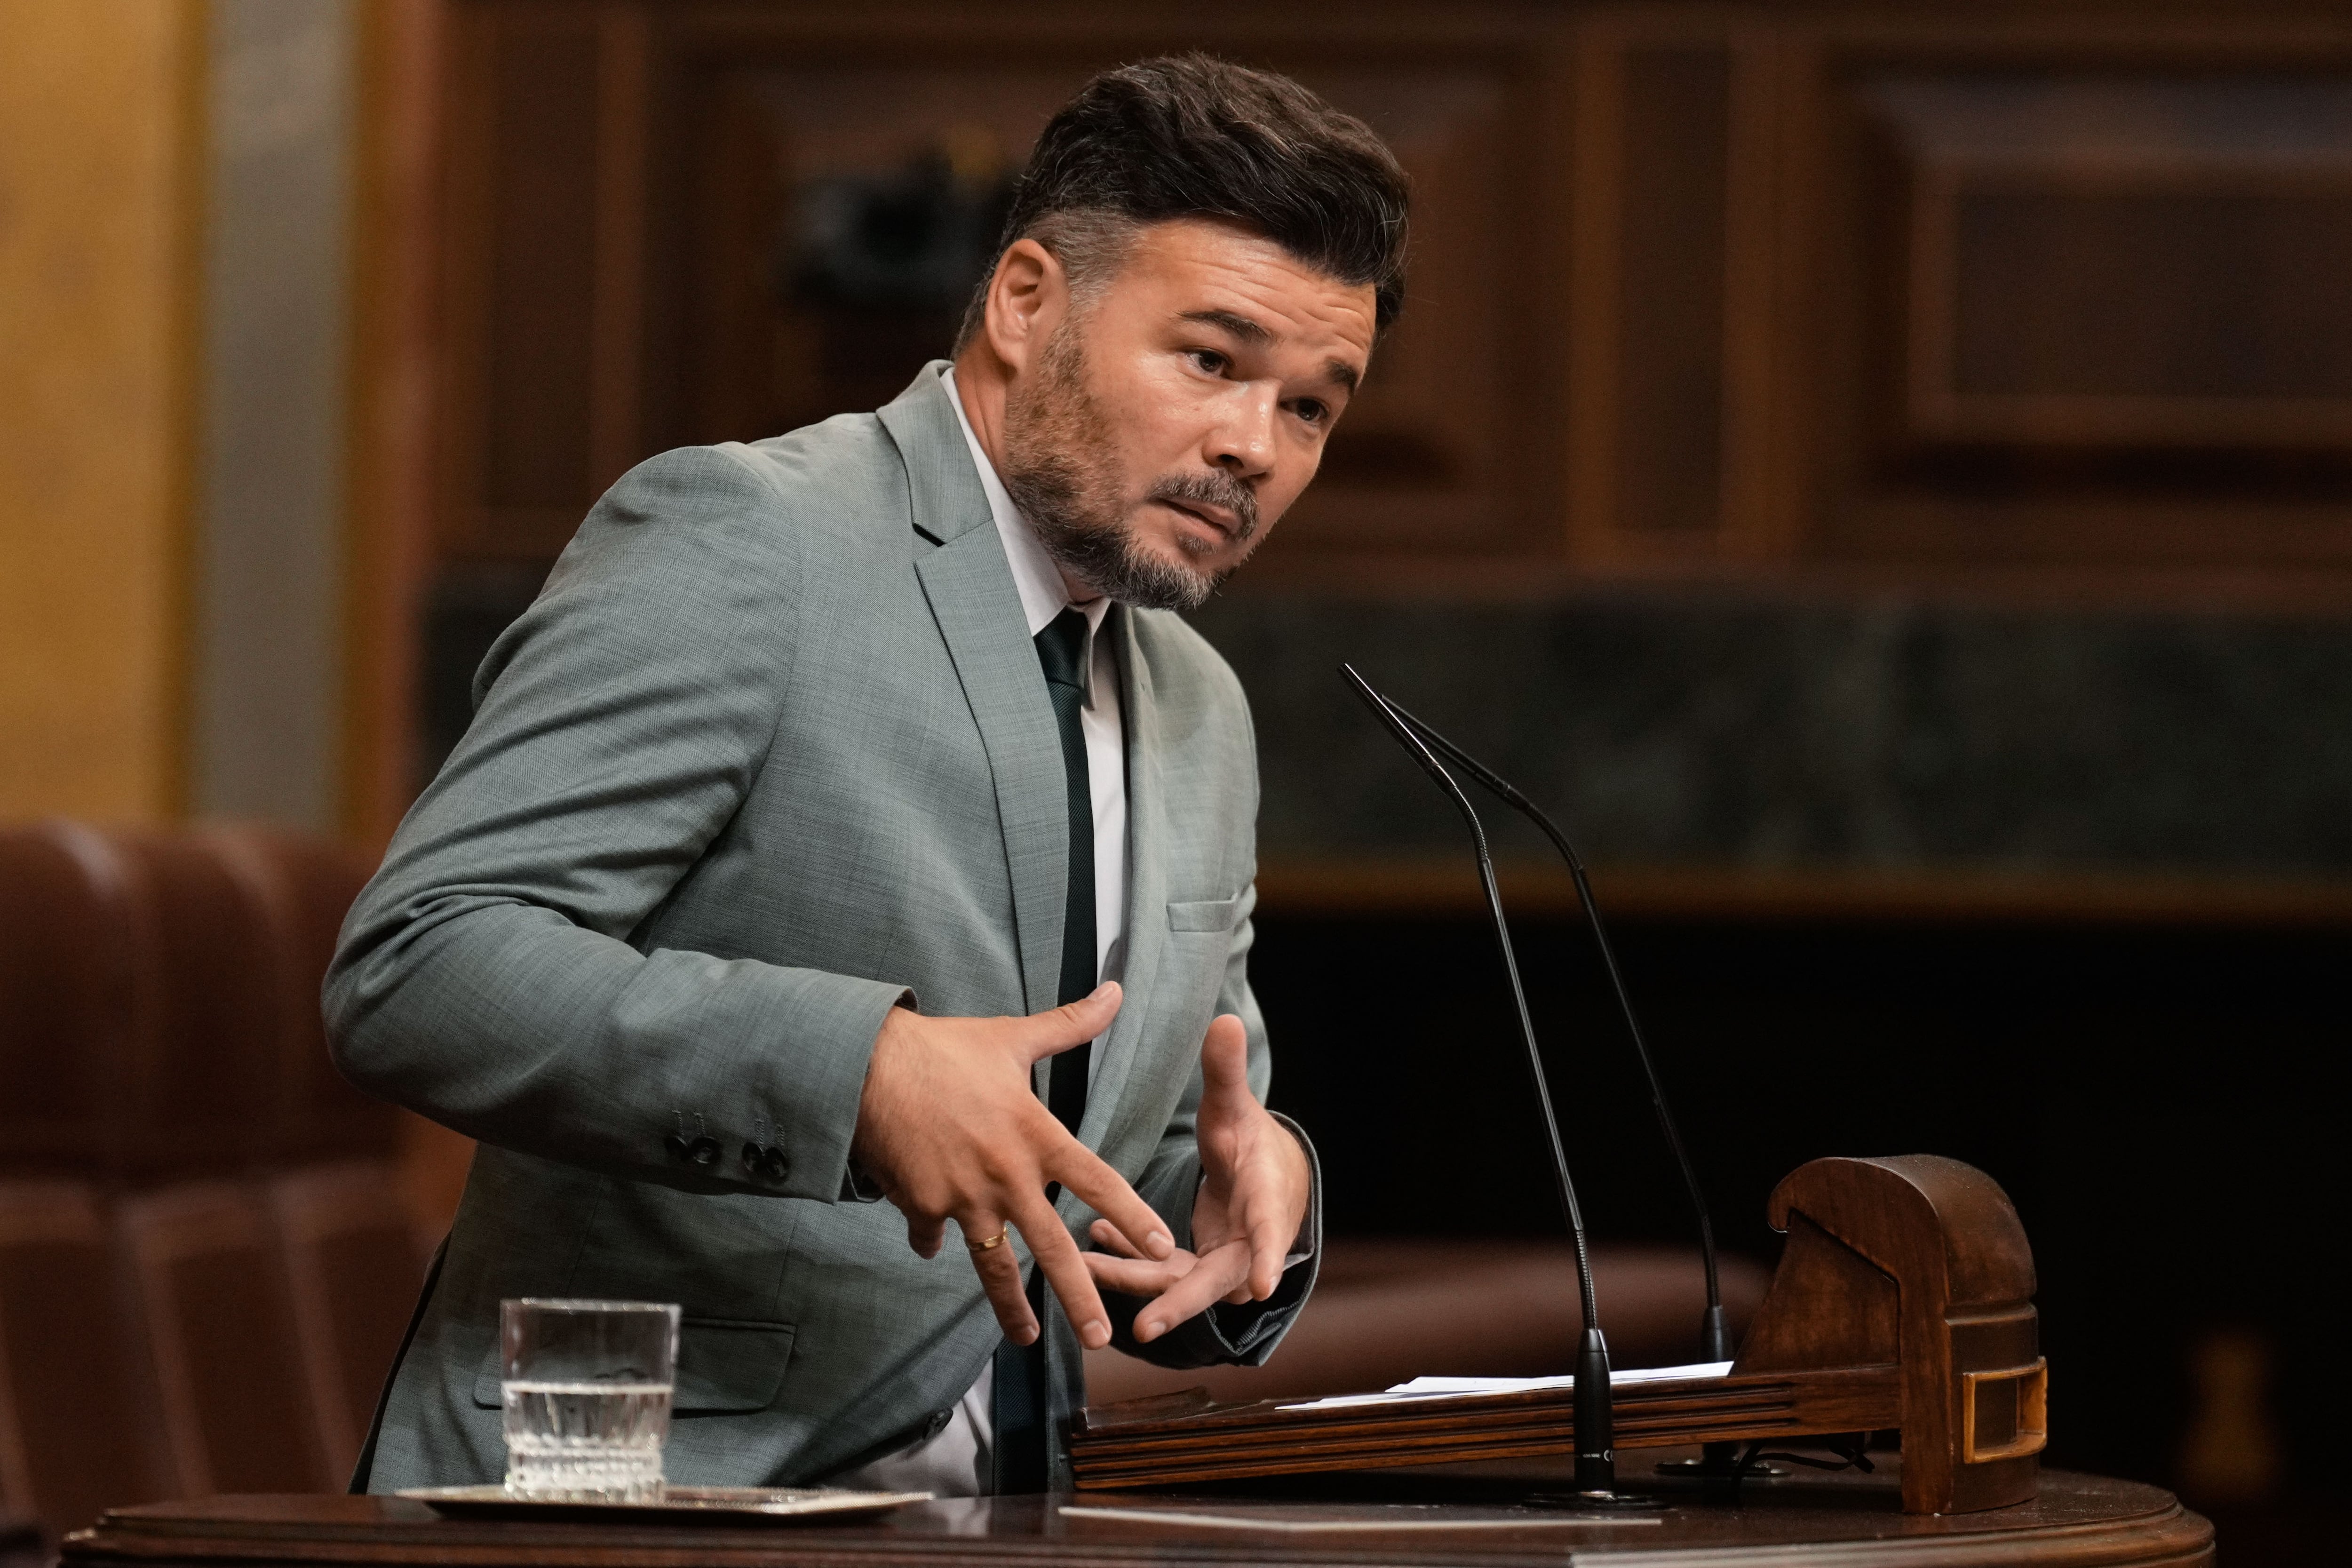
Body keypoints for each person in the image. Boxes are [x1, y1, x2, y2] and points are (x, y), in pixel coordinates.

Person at [326, 53, 1410, 1496]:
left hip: (1014, 1512)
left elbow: (1113, 1149)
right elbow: (417, 967)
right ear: (1027, 302)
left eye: (1311, 409)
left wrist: (1237, 1194)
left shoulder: (1199, 705)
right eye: (1211, 362)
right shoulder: (748, 537)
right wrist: (861, 1068)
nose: (1250, 449)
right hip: (647, 1500)